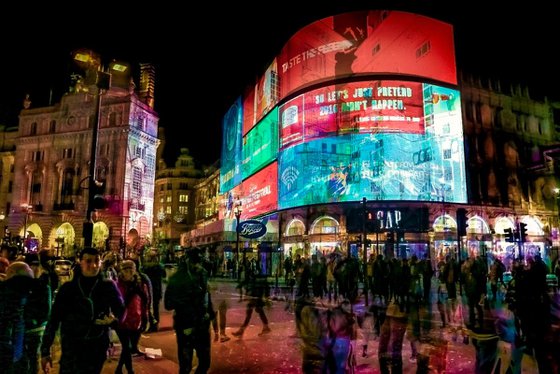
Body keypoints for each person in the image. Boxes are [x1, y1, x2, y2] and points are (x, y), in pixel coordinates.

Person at [40, 247, 125, 374]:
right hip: (72, 347)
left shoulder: (107, 286)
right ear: (80, 262)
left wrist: (114, 320)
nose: (94, 265)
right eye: (88, 261)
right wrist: (45, 351)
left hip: (96, 345)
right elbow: (54, 319)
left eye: (97, 260)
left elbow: (120, 309)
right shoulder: (68, 289)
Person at [164, 248, 212, 374]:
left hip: (202, 324)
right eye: (195, 261)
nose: (197, 265)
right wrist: (188, 300)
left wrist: (210, 313)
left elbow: (206, 294)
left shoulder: (203, 273)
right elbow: (168, 304)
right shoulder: (177, 279)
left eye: (199, 261)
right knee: (185, 366)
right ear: (187, 261)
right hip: (186, 325)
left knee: (205, 363)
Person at [115, 260, 150, 374]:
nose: (129, 271)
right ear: (121, 271)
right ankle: (130, 370)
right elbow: (116, 303)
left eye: (131, 268)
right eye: (126, 269)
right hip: (121, 321)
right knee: (127, 346)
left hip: (135, 320)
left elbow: (145, 302)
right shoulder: (117, 285)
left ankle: (119, 369)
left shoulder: (140, 284)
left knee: (129, 347)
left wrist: (145, 318)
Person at [232, 271, 272, 338]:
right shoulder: (250, 281)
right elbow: (240, 287)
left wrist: (242, 297)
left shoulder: (251, 281)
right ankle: (266, 327)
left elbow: (241, 288)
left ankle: (242, 331)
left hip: (256, 298)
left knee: (252, 313)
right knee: (259, 311)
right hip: (256, 297)